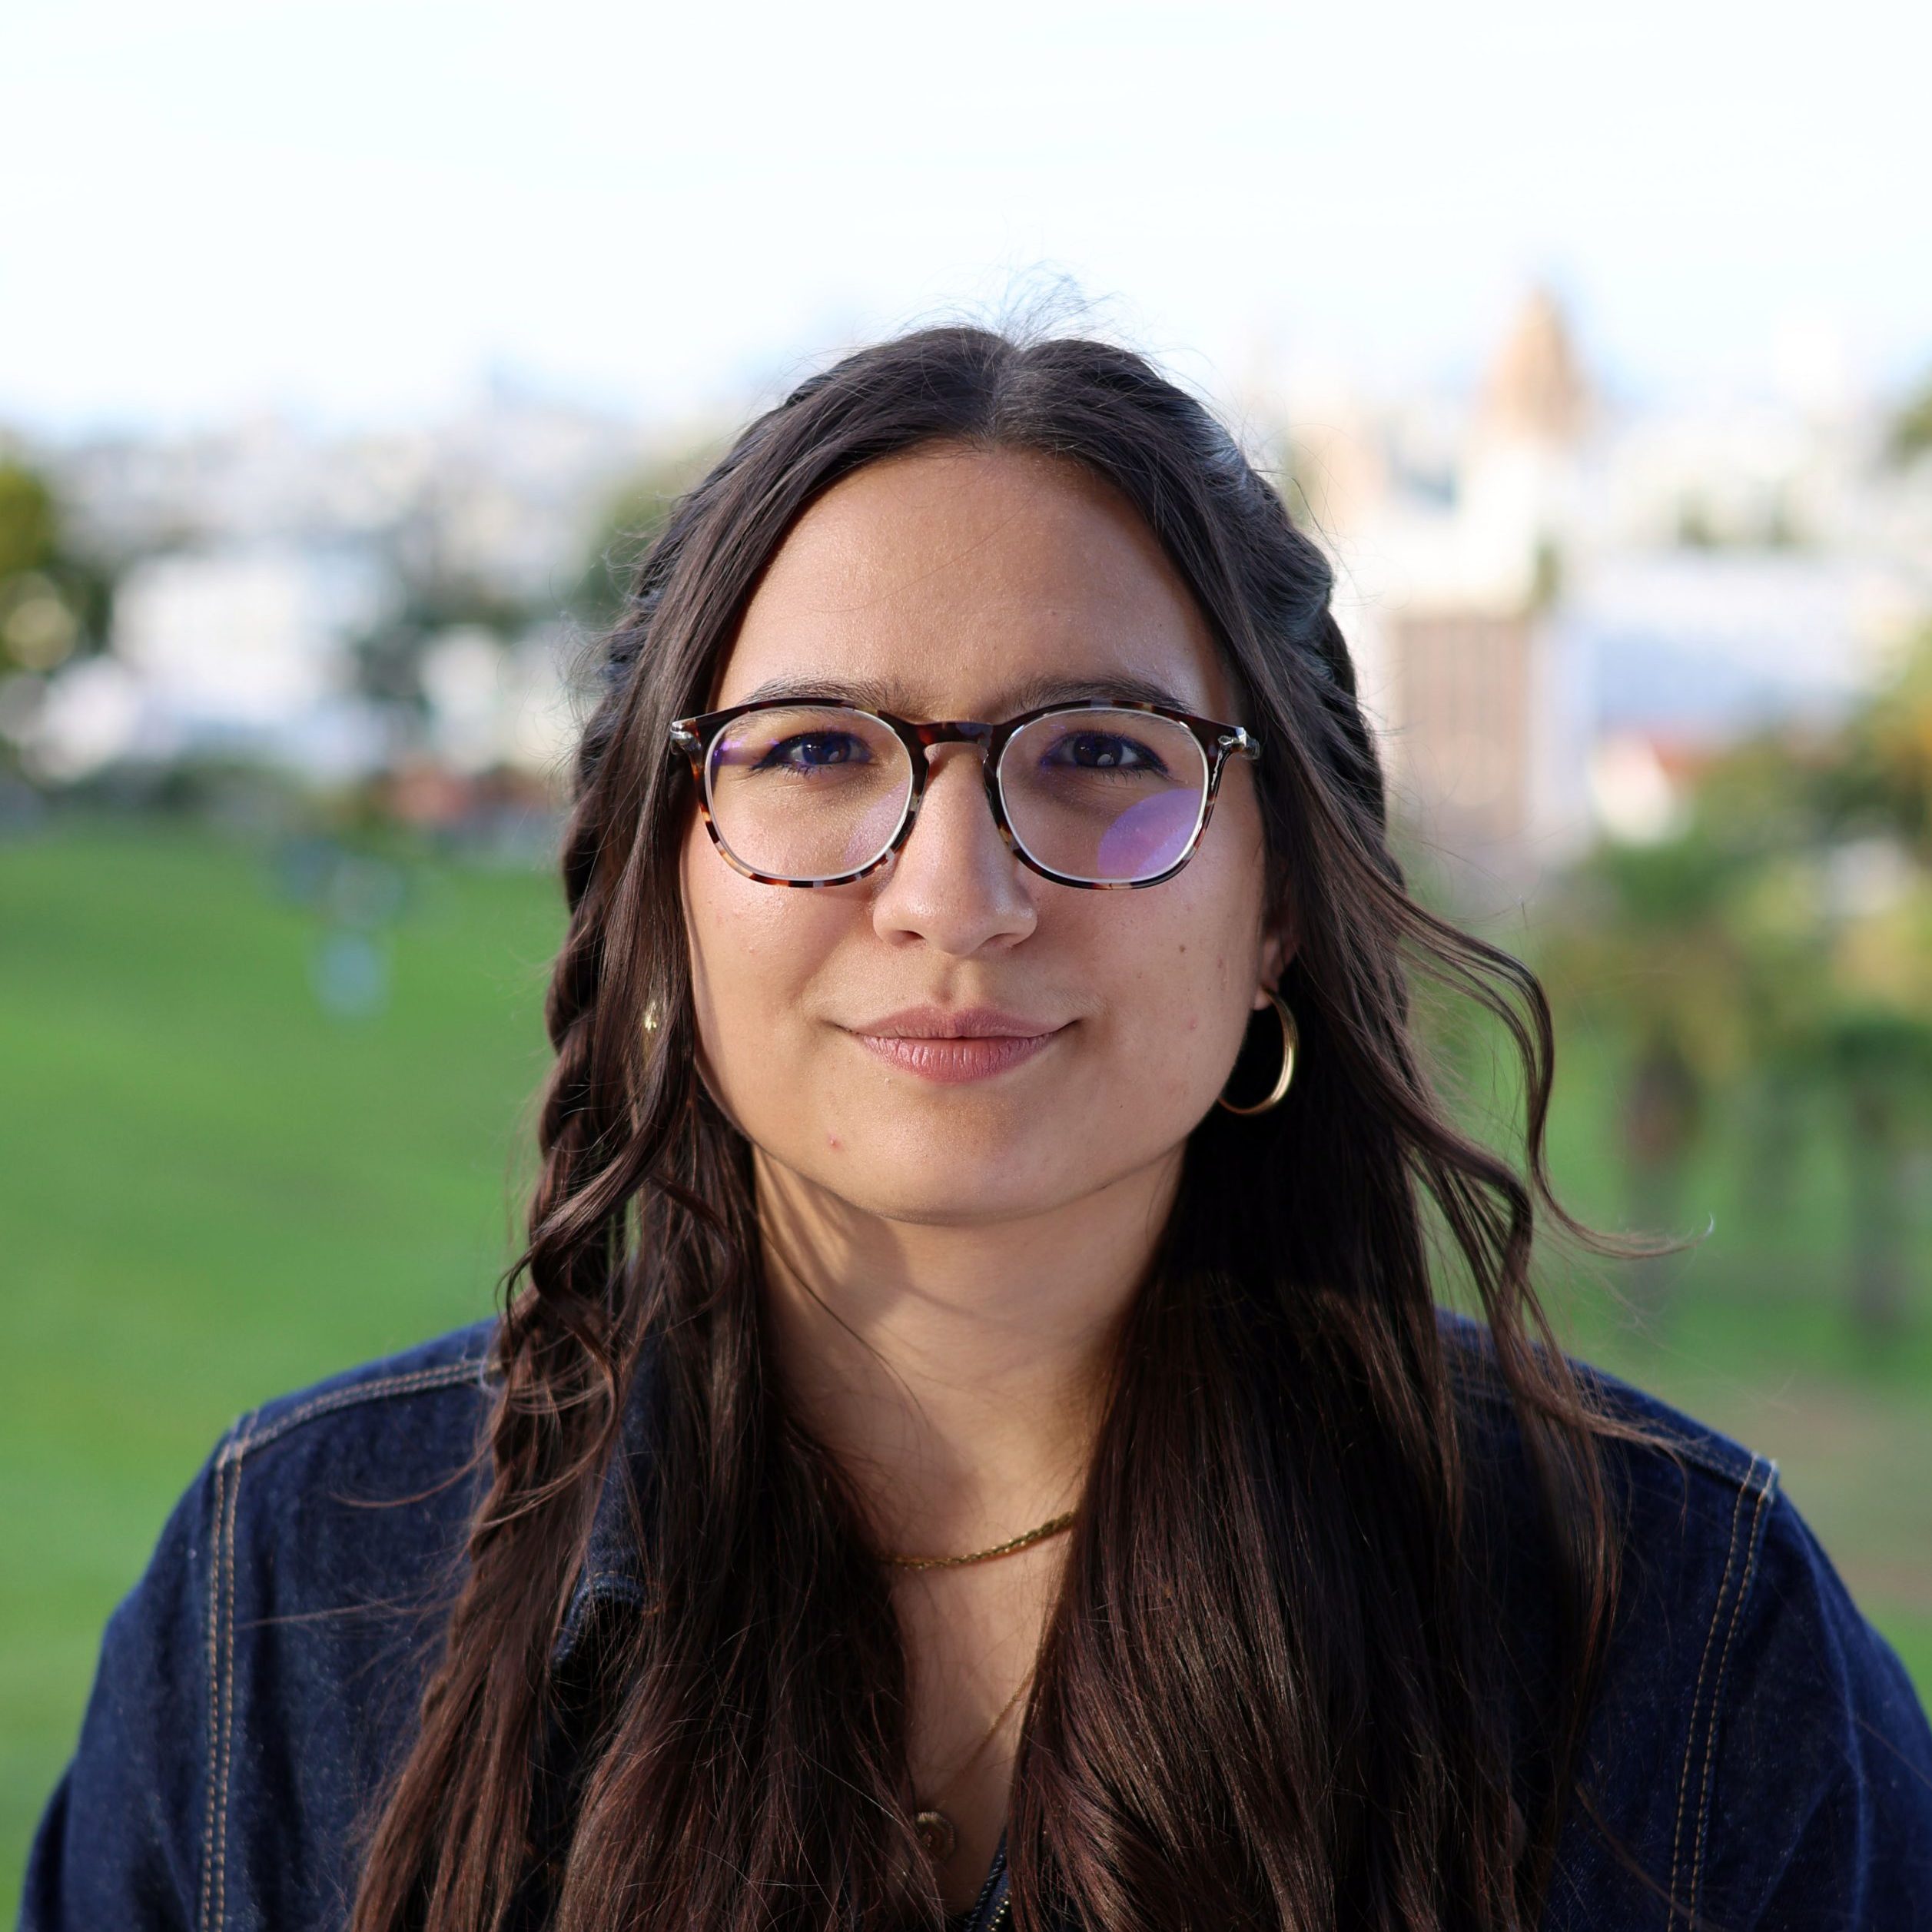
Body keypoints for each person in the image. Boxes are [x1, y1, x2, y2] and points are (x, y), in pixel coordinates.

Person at [21, 324, 1932, 1932]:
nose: (954, 894)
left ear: (1279, 902)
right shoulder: (290, 1598)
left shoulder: (1681, 1646)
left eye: (1099, 754)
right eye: (814, 751)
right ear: (668, 877)